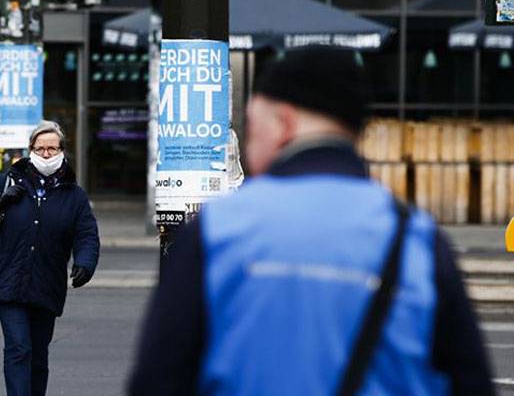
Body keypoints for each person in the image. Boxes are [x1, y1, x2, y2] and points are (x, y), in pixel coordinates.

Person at [128, 47, 494, 395]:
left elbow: (158, 380)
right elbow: (470, 381)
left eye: (252, 127)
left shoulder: (217, 230)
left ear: (284, 123)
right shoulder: (417, 238)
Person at [0, 120, 100, 396]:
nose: (47, 154)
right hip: (8, 280)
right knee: (18, 347)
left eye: (52, 148)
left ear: (62, 150)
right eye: (40, 149)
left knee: (38, 354)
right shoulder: (5, 182)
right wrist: (0, 200)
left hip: (46, 283)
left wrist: (85, 263)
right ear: (30, 151)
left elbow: (86, 233)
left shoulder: (74, 195)